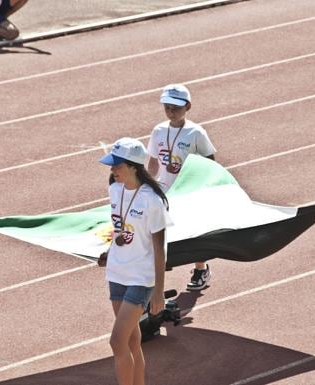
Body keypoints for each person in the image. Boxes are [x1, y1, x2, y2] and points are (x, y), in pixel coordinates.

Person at [99, 138, 173, 385]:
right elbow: (120, 229)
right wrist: (110, 251)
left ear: (133, 166)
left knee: (116, 341)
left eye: (117, 165)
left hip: (141, 278)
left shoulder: (152, 200)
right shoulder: (114, 190)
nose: (112, 170)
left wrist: (159, 291)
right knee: (131, 342)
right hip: (117, 272)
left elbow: (159, 247)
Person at [146, 84, 217, 291]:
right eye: (167, 107)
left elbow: (210, 162)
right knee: (157, 233)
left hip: (189, 191)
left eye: (176, 107)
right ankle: (156, 277)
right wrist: (147, 185)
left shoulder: (196, 133)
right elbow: (153, 163)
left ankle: (200, 269)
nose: (171, 111)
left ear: (188, 106)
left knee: (193, 231)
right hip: (164, 191)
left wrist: (204, 187)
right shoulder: (158, 131)